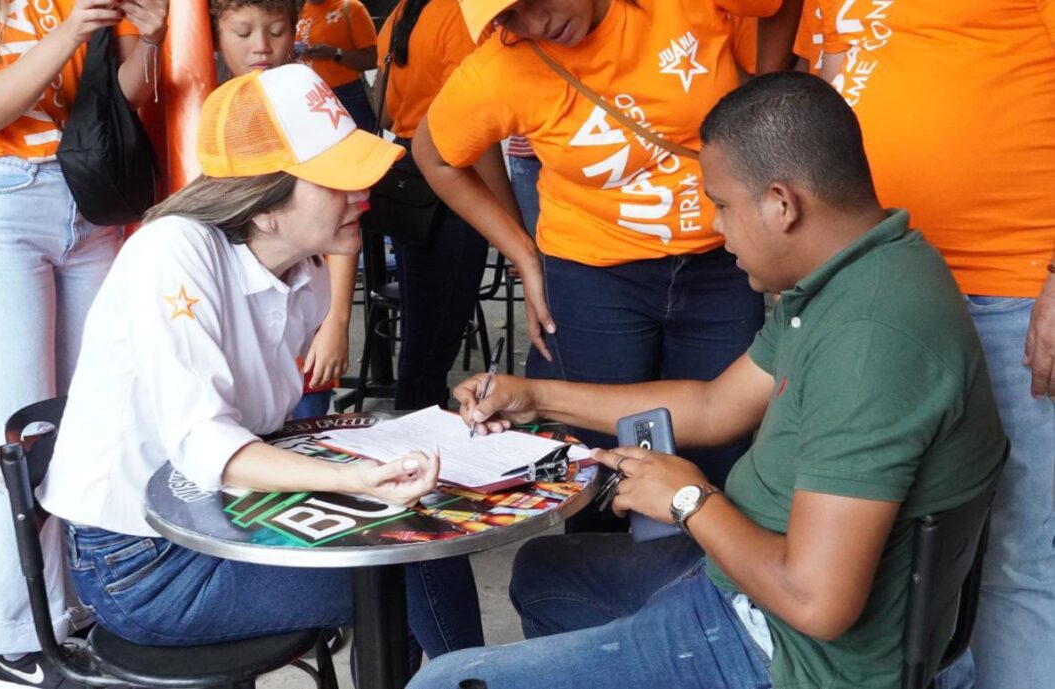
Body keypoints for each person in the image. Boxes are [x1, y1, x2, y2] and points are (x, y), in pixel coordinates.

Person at [407, 72, 1007, 689]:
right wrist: (534, 394)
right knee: (545, 571)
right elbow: (716, 405)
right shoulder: (863, 270)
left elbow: (816, 603)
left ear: (782, 203)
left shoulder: (872, 341)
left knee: (440, 683)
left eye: (721, 204)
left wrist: (690, 501)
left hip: (785, 652)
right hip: (751, 584)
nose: (717, 229)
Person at [36, 64, 484, 662]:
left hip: (215, 519)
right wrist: (353, 478)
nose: (361, 195)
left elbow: (259, 430)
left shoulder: (306, 274)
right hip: (146, 562)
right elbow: (206, 446)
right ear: (264, 205)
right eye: (337, 181)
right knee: (414, 560)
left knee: (417, 544)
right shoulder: (172, 251)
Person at [413, 0, 803, 507]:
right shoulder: (499, 68)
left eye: (534, 2)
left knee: (720, 454)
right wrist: (523, 252)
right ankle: (595, 577)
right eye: (509, 18)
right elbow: (435, 155)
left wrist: (760, 98)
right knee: (599, 463)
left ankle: (710, 580)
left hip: (720, 267)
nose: (536, 26)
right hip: (593, 277)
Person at [0, 0, 166, 684]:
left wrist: (145, 38)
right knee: (11, 430)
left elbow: (115, 97)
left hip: (87, 199)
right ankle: (15, 635)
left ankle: (83, 607)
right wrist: (70, 31)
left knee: (89, 420)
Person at [815, 3, 1055, 687]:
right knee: (885, 541)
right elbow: (830, 84)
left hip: (1012, 289)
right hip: (878, 286)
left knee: (1018, 547)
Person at [209, 0, 356, 419]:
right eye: (243, 33)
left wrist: (337, 323)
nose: (261, 47)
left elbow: (347, 222)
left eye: (276, 32)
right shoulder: (204, 103)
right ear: (216, 34)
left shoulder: (312, 103)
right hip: (234, 330)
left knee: (306, 429)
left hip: (305, 316)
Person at [375, 0, 518, 411]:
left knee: (420, 327)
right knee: (435, 335)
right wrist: (511, 226)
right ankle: (418, 433)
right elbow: (474, 139)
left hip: (406, 182)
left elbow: (384, 113)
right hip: (451, 179)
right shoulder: (457, 16)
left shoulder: (402, 14)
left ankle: (413, 419)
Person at [295, 0, 379, 133]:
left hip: (347, 94)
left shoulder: (351, 8)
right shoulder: (297, 11)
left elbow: (373, 59)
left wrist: (335, 53)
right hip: (310, 97)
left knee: (361, 147)